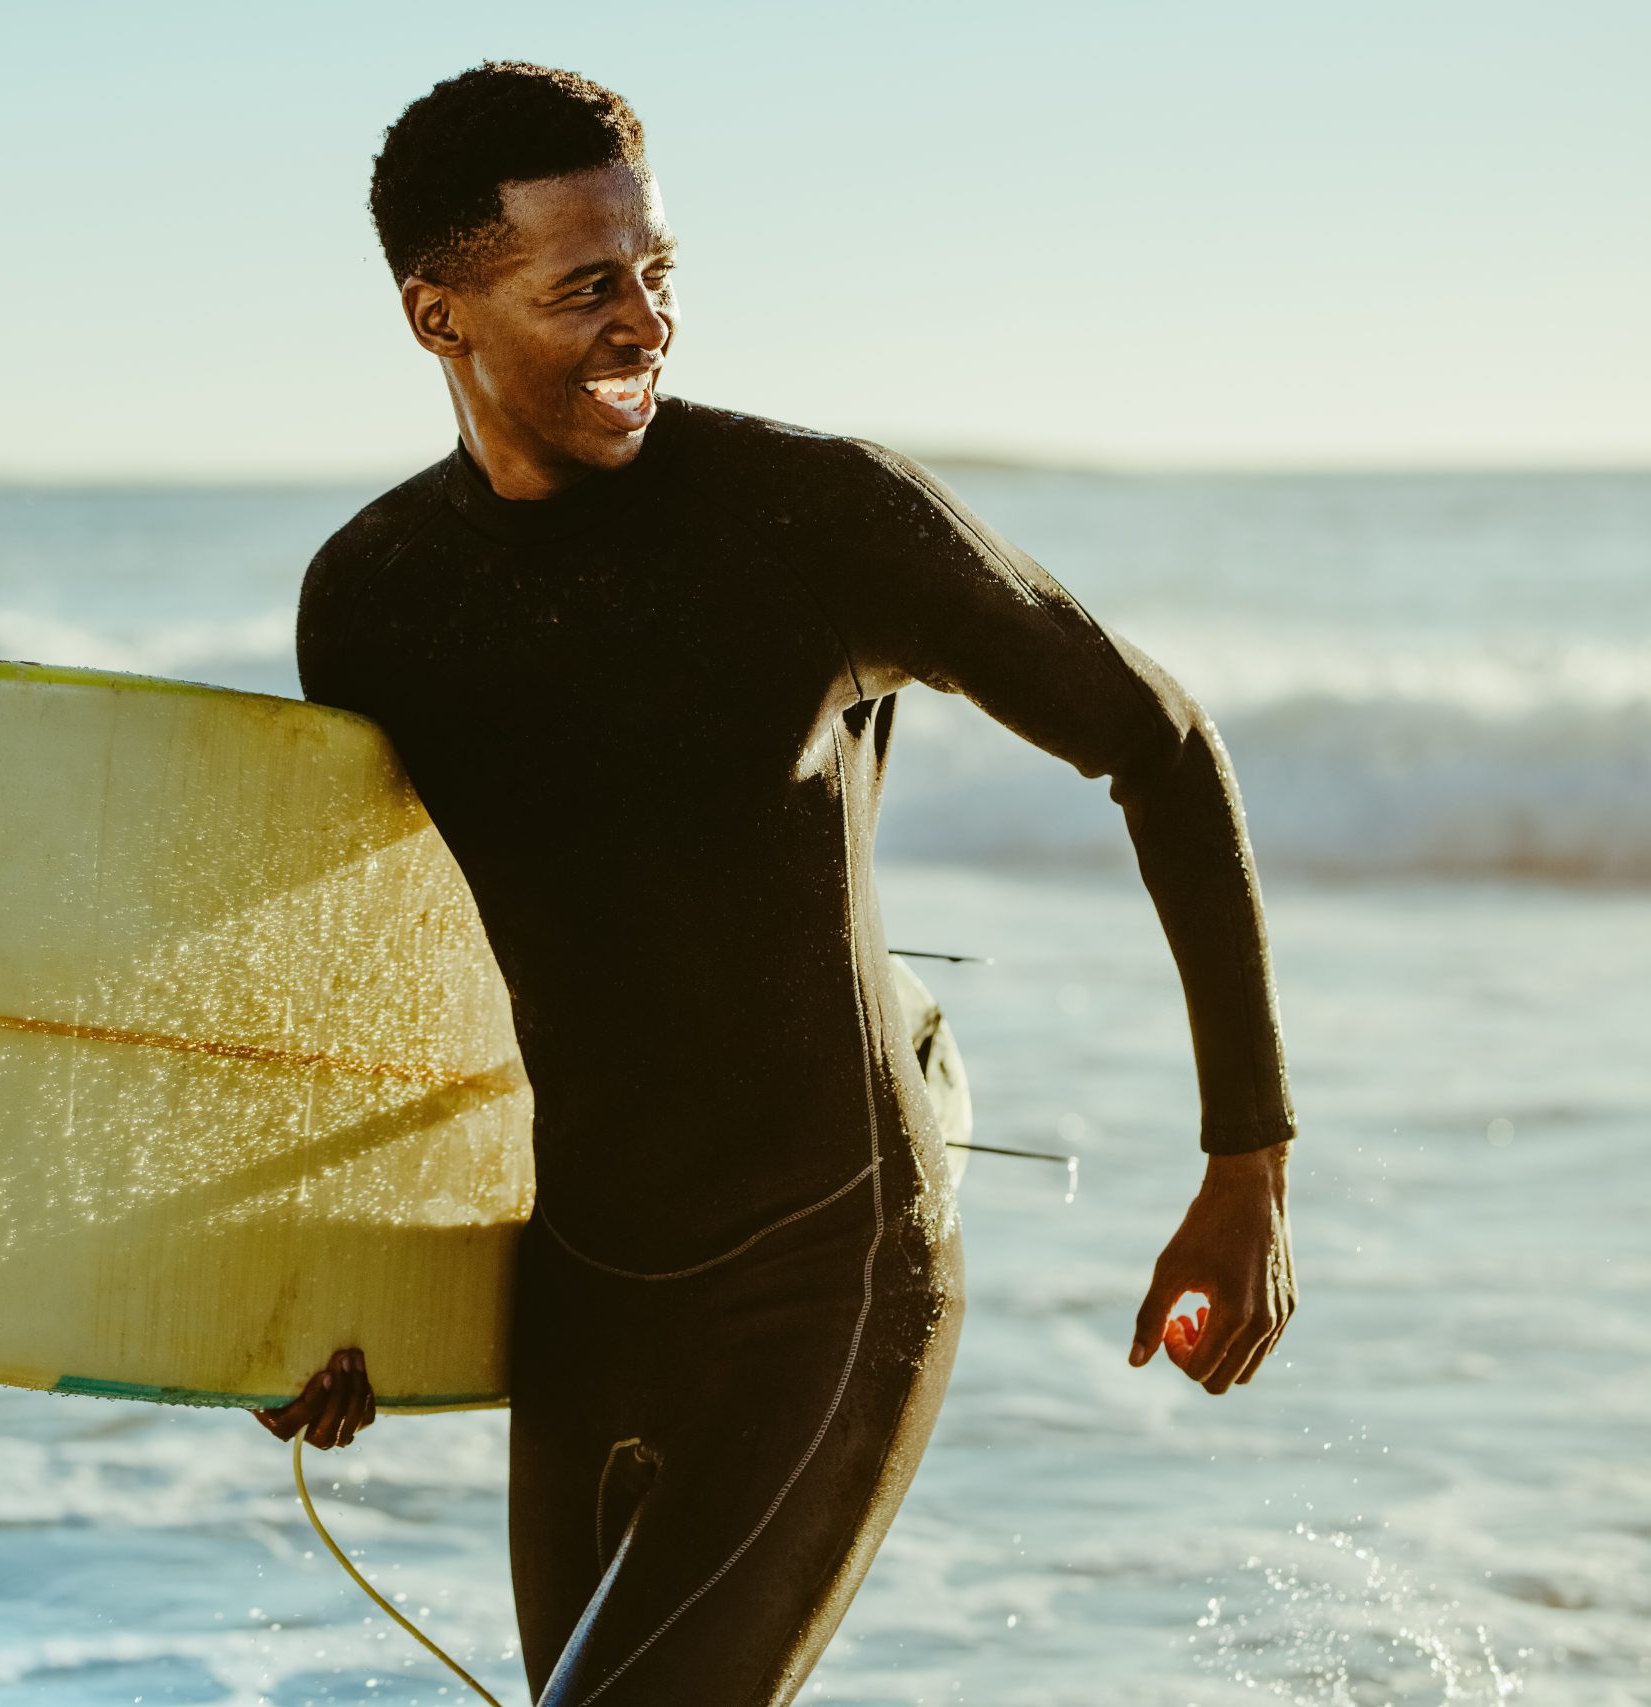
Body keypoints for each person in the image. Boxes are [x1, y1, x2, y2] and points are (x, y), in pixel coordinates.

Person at [253, 61, 1299, 1705]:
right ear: (436, 314)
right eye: (585, 286)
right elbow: (401, 974)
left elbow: (1157, 745)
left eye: (658, 272)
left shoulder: (816, 522)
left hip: (831, 1261)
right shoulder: (376, 597)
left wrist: (1249, 1163)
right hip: (584, 1287)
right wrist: (325, 1288)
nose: (646, 322)